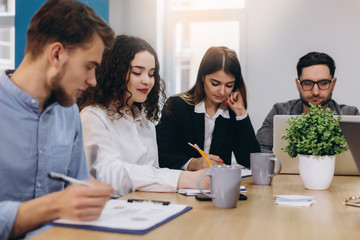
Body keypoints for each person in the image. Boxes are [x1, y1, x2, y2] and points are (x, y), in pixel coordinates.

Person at [0, 0, 116, 239]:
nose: (93, 80)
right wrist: (52, 206)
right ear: (56, 55)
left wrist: (88, 199)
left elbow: (78, 188)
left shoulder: (69, 110)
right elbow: (60, 204)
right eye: (89, 67)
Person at [77, 35, 209, 197]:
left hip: (146, 207)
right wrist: (183, 178)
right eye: (137, 72)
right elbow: (109, 174)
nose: (147, 81)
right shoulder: (93, 116)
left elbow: (152, 173)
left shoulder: (144, 120)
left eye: (151, 74)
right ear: (115, 73)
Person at [156, 46, 260, 170]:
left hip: (219, 185)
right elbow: (158, 155)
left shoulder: (232, 113)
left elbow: (251, 162)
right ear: (202, 77)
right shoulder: (177, 106)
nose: (222, 91)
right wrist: (193, 163)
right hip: (182, 184)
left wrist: (241, 113)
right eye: (215, 83)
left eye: (229, 85)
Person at [256, 51, 360, 153]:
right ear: (298, 84)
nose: (315, 92)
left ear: (333, 84)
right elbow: (259, 154)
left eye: (323, 83)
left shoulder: (351, 114)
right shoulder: (279, 111)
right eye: (307, 83)